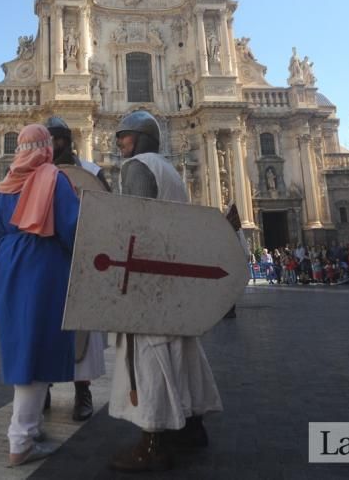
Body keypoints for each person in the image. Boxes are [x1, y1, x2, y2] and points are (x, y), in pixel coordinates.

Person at [108, 110, 222, 472]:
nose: (120, 143)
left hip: (149, 275)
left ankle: (152, 442)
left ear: (141, 139)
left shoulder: (137, 167)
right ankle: (191, 426)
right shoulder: (170, 170)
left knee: (149, 355)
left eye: (125, 136)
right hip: (173, 275)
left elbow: (137, 222)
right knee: (181, 350)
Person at [0, 124, 80, 466]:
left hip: (9, 261)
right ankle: (21, 439)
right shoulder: (52, 178)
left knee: (20, 340)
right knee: (37, 344)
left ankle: (31, 427)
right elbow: (71, 226)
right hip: (42, 262)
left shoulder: (5, 183)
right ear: (45, 148)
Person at [44, 115, 107, 421]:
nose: (54, 147)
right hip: (46, 262)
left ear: (69, 142)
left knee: (83, 332)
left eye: (58, 141)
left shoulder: (92, 172)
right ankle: (42, 388)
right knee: (43, 327)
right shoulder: (36, 175)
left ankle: (83, 391)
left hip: (82, 262)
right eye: (49, 141)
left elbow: (106, 209)